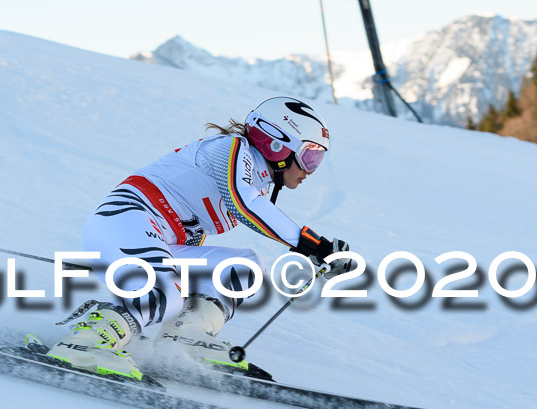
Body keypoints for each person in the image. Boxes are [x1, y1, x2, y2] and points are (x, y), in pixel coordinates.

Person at [46, 96, 351, 381]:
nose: (310, 170)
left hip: (154, 238)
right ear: (276, 143)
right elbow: (243, 204)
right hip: (125, 219)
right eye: (309, 157)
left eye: (318, 160)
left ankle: (185, 337)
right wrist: (314, 245)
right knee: (165, 293)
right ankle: (81, 346)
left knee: (241, 266)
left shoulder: (254, 176)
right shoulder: (230, 149)